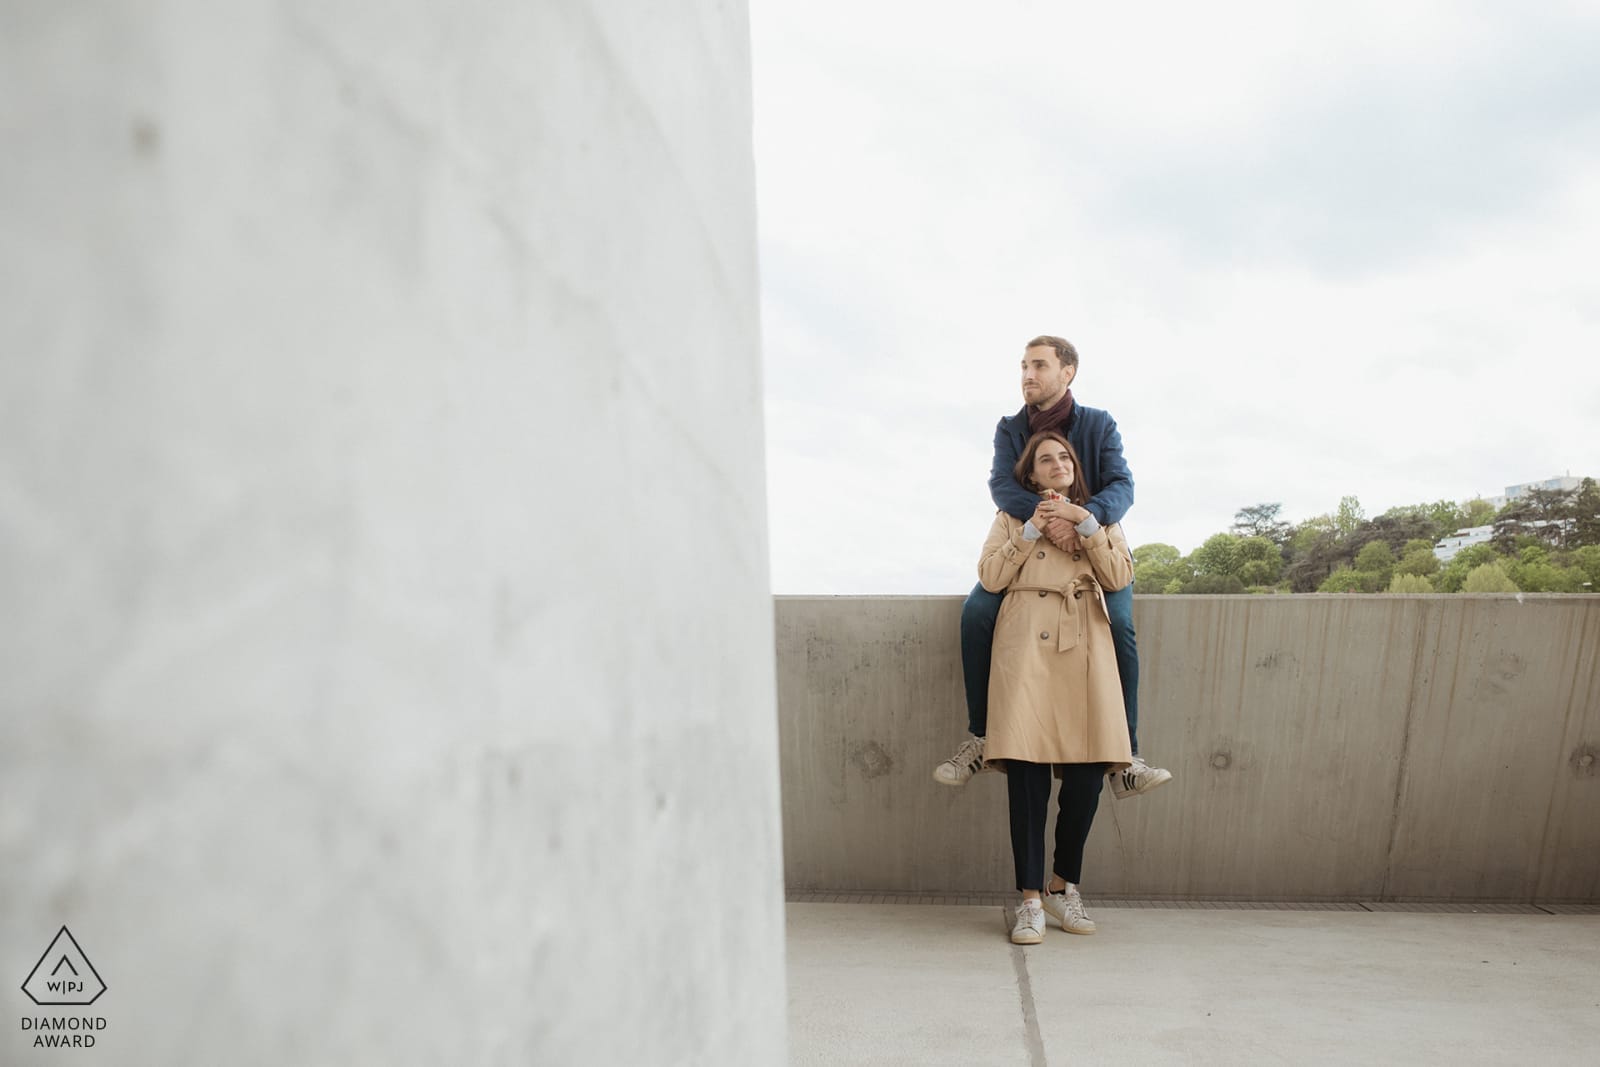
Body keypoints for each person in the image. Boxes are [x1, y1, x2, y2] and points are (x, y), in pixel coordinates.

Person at [935, 335, 1172, 798]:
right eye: (1024, 365)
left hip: (1093, 547)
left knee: (1120, 623)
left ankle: (1128, 758)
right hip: (1032, 541)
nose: (1028, 374)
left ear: (1068, 372)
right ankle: (981, 736)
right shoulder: (1010, 428)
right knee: (976, 612)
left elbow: (1122, 485)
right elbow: (1002, 486)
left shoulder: (1099, 423)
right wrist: (1048, 520)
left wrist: (1081, 518)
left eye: (1039, 365)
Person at [976, 431, 1133, 943]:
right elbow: (990, 577)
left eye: (1064, 456)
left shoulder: (1101, 517)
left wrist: (1084, 524)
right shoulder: (1010, 517)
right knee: (1027, 779)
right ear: (1031, 473)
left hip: (1083, 643)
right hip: (1026, 647)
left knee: (1086, 780)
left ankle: (1064, 887)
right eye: (1046, 459)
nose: (1058, 463)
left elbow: (1119, 576)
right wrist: (1031, 531)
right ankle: (1029, 900)